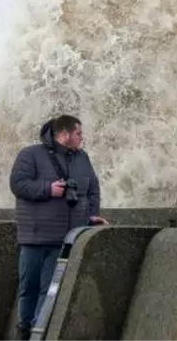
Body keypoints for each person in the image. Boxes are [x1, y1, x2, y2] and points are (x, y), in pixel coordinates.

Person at [9, 114, 107, 337]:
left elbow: (93, 190)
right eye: (78, 133)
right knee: (28, 289)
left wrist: (92, 215)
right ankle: (24, 332)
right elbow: (18, 184)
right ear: (64, 135)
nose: (82, 138)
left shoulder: (82, 158)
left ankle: (38, 334)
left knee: (49, 291)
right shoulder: (30, 155)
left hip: (65, 238)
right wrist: (48, 189)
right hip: (34, 237)